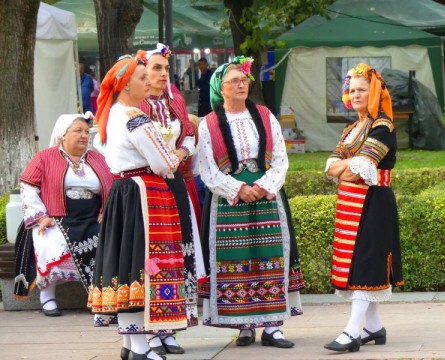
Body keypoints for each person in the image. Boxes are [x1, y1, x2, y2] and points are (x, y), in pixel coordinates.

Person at [88, 50, 198, 360]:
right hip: (144, 195)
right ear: (125, 85)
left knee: (130, 266)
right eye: (140, 77)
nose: (147, 81)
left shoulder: (112, 115)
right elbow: (164, 163)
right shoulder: (135, 117)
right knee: (143, 266)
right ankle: (138, 348)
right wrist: (170, 157)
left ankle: (132, 345)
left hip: (125, 192)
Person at [198, 56, 305, 349]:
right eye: (234, 81)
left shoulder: (265, 115)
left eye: (244, 80)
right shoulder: (208, 124)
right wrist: (236, 188)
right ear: (221, 87)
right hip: (229, 200)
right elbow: (207, 167)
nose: (241, 84)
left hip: (265, 195)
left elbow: (281, 157)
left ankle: (273, 327)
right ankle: (242, 324)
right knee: (235, 260)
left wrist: (262, 185)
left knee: (270, 254)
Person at [323, 63, 404, 353]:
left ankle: (352, 331)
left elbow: (361, 168)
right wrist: (345, 166)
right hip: (351, 203)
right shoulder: (351, 128)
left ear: (374, 93)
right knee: (358, 261)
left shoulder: (383, 126)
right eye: (352, 90)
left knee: (366, 264)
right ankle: (374, 327)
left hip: (374, 202)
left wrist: (344, 166)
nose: (355, 94)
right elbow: (332, 166)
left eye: (362, 90)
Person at [14, 112, 112, 317]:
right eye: (78, 131)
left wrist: (107, 210)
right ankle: (47, 295)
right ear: (62, 135)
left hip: (93, 216)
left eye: (86, 131)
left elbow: (112, 188)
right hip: (56, 217)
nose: (84, 135)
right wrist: (41, 217)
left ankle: (100, 297)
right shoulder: (44, 157)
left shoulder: (98, 158)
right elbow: (28, 188)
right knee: (51, 241)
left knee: (109, 240)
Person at [139, 43, 203, 230]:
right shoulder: (135, 104)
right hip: (147, 182)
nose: (164, 73)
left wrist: (181, 153)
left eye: (166, 68)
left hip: (176, 178)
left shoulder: (175, 101)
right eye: (157, 68)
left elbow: (189, 135)